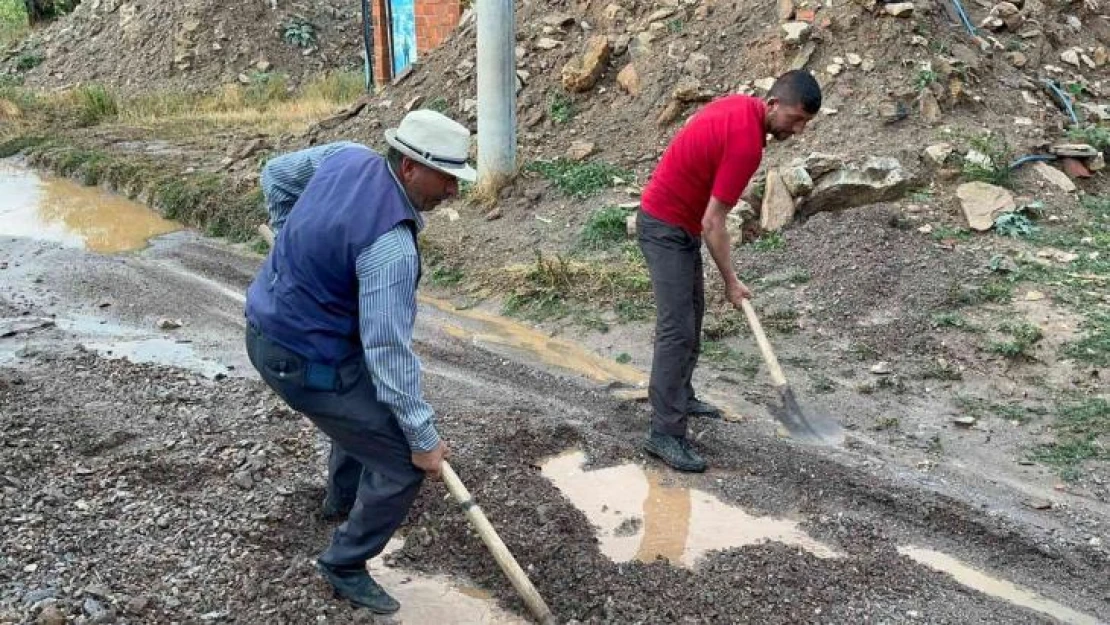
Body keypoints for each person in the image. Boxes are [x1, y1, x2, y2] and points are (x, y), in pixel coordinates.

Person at [243, 109, 475, 614]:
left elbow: (276, 175)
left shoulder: (345, 157)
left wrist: (289, 242)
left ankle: (341, 502)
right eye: (447, 178)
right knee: (398, 464)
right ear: (411, 167)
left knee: (362, 403)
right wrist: (423, 439)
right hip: (301, 358)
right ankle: (345, 562)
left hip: (265, 324)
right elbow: (389, 354)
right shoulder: (391, 247)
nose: (453, 192)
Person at [636, 70, 821, 473]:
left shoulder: (742, 106)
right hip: (664, 225)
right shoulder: (746, 145)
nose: (800, 129)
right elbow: (714, 223)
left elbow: (703, 218)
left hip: (679, 224)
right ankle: (664, 433)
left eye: (806, 122)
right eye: (797, 118)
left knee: (693, 315)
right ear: (774, 105)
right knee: (676, 329)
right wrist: (732, 282)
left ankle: (680, 397)